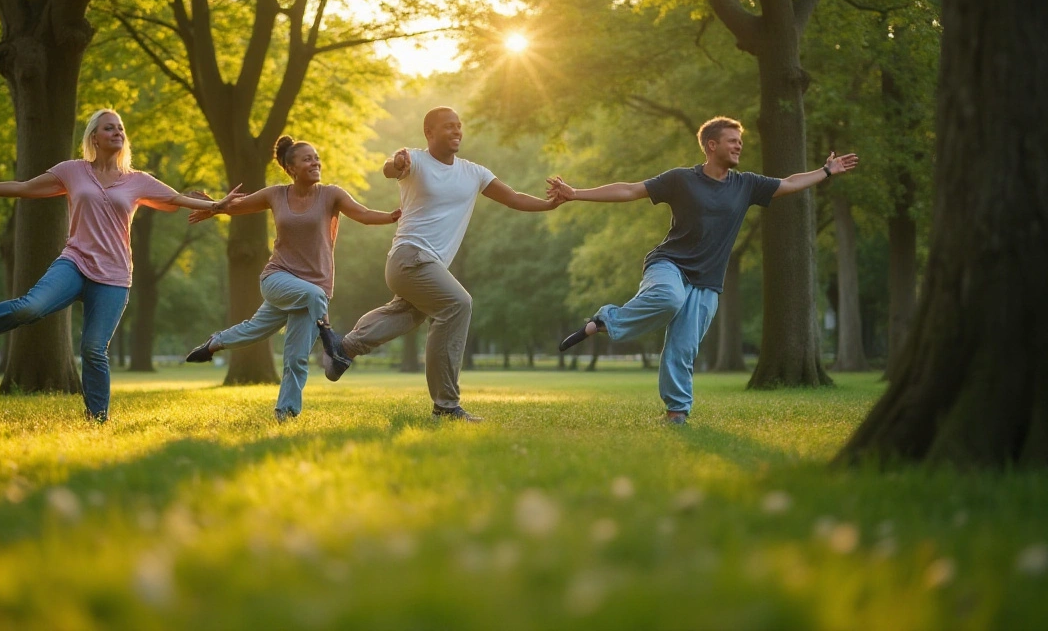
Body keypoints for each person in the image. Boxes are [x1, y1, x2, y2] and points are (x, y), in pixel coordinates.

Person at [0, 109, 240, 422]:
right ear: (94, 137)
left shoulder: (138, 181)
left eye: (120, 128)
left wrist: (216, 206)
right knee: (30, 307)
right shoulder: (73, 171)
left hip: (114, 277)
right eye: (109, 128)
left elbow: (177, 200)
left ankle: (97, 420)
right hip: (75, 263)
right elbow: (25, 188)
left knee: (94, 349)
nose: (117, 132)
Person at [551, 116, 859, 424]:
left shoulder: (746, 184)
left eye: (740, 140)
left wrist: (826, 172)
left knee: (682, 349)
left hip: (707, 280)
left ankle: (676, 414)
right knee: (669, 298)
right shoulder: (681, 179)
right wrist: (576, 193)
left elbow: (790, 183)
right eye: (732, 140)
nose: (739, 145)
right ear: (712, 146)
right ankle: (607, 319)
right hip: (668, 264)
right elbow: (630, 190)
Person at [321, 106, 564, 423]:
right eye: (449, 126)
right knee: (458, 304)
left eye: (459, 126)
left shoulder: (473, 172)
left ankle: (342, 350)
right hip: (409, 257)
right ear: (429, 133)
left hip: (426, 264)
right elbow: (390, 168)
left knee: (407, 314)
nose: (457, 131)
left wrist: (549, 204)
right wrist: (396, 162)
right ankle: (446, 407)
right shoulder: (415, 161)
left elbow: (514, 197)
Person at [183, 136, 401, 422]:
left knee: (281, 347)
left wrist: (393, 216)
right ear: (290, 168)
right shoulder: (276, 194)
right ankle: (331, 342)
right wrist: (213, 207)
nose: (315, 162)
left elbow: (363, 214)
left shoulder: (331, 194)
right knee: (313, 296)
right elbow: (236, 207)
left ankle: (282, 410)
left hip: (315, 289)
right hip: (279, 278)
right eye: (307, 158)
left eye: (317, 157)